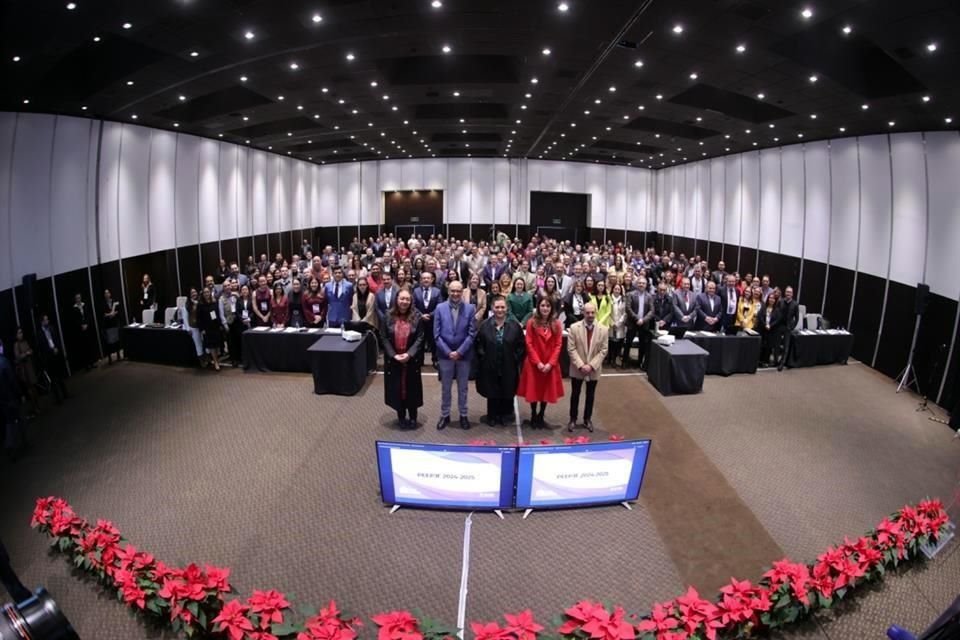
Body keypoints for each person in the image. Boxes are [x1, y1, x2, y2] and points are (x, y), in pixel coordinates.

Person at [475, 295, 525, 426]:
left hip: (509, 365)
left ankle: (505, 415)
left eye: (502, 307)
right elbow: (479, 344)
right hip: (490, 365)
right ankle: (492, 415)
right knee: (492, 391)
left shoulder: (515, 326)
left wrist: (514, 358)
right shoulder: (485, 325)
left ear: (507, 308)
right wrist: (484, 358)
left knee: (507, 390)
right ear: (492, 308)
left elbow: (521, 346)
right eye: (497, 307)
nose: (500, 310)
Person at [434, 280, 477, 430]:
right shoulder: (439, 308)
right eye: (453, 291)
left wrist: (459, 352)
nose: (455, 294)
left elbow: (472, 334)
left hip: (463, 356)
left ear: (462, 292)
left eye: (458, 291)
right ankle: (445, 415)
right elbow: (436, 335)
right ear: (448, 291)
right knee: (446, 388)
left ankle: (463, 415)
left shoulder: (471, 309)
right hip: (445, 356)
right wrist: (448, 352)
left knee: (463, 388)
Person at [516, 297, 564, 428]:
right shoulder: (531, 322)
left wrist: (550, 363)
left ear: (551, 308)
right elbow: (529, 343)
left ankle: (541, 415)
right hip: (534, 363)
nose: (545, 308)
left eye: (548, 306)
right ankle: (533, 414)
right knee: (534, 390)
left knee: (545, 391)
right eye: (542, 305)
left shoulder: (556, 324)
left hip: (549, 364)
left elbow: (559, 345)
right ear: (538, 307)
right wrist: (538, 362)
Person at [382, 289, 424, 429]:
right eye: (402, 299)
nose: (404, 302)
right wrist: (393, 355)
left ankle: (413, 418)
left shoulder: (417, 316)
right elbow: (384, 337)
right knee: (397, 389)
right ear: (397, 299)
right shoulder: (388, 315)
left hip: (411, 361)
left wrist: (409, 354)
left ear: (411, 301)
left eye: (407, 299)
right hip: (394, 361)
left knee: (412, 390)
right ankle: (401, 417)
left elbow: (420, 338)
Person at [567, 302, 608, 432]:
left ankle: (587, 419)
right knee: (575, 394)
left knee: (590, 395)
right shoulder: (574, 328)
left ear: (595, 312)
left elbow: (604, 350)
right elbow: (571, 349)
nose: (590, 315)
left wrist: (591, 366)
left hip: (593, 369)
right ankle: (573, 419)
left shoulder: (604, 329)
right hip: (577, 368)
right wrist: (581, 365)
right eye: (587, 312)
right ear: (583, 313)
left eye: (592, 312)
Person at [36, 314, 68, 404]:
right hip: (48, 357)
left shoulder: (52, 328)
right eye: (46, 320)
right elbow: (41, 347)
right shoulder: (39, 334)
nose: (48, 321)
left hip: (56, 354)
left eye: (47, 319)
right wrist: (50, 351)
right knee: (53, 379)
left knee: (60, 375)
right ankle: (58, 398)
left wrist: (57, 347)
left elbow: (56, 339)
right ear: (42, 322)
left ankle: (65, 394)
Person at [624, 277, 654, 368]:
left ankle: (640, 362)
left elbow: (652, 311)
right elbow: (628, 308)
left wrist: (643, 320)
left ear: (646, 285)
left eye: (643, 283)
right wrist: (637, 319)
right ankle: (625, 362)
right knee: (628, 343)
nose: (641, 285)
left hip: (644, 324)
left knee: (642, 344)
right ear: (637, 284)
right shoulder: (630, 294)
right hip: (632, 323)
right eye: (640, 283)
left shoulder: (649, 296)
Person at [413, 272, 442, 367]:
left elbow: (439, 305)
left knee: (433, 341)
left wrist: (430, 315)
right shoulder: (415, 291)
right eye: (424, 278)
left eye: (428, 278)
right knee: (419, 341)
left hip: (432, 321)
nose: (426, 280)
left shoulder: (437, 291)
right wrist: (421, 315)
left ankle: (435, 360)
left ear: (432, 279)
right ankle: (419, 360)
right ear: (421, 280)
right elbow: (413, 306)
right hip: (419, 321)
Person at [13, 328, 40, 418]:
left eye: (21, 332)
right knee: (30, 390)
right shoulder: (16, 345)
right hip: (25, 371)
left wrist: (30, 352)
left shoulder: (25, 342)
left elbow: (30, 350)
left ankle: (37, 407)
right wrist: (26, 354)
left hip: (30, 367)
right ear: (16, 335)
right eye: (19, 333)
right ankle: (34, 408)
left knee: (34, 388)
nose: (21, 334)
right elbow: (17, 357)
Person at [197, 287, 223, 371]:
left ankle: (217, 359)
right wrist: (202, 329)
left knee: (217, 344)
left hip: (215, 326)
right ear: (203, 294)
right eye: (205, 292)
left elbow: (217, 314)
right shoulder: (200, 305)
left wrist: (220, 324)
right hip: (207, 328)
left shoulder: (214, 302)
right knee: (211, 345)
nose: (206, 294)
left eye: (208, 292)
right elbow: (199, 318)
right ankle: (216, 362)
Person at [70, 293, 98, 370]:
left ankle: (92, 363)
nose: (78, 299)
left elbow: (88, 315)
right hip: (80, 331)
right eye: (77, 298)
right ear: (75, 299)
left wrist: (87, 324)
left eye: (79, 297)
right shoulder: (74, 308)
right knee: (84, 348)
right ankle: (87, 365)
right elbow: (75, 320)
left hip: (88, 328)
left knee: (90, 346)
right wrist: (81, 325)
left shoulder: (84, 305)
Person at [776, 286, 799, 370]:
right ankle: (776, 361)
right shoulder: (780, 301)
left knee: (786, 346)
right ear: (785, 293)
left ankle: (782, 363)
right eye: (787, 292)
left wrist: (792, 327)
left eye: (790, 292)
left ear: (792, 294)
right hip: (779, 326)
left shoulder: (795, 304)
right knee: (777, 344)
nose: (788, 293)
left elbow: (797, 318)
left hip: (788, 327)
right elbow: (776, 313)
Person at [758, 290, 783, 367]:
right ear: (768, 299)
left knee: (769, 347)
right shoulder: (763, 308)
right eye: (770, 298)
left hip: (771, 331)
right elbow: (760, 316)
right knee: (762, 346)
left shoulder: (777, 310)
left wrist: (770, 326)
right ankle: (760, 361)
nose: (771, 299)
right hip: (763, 330)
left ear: (775, 300)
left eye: (773, 298)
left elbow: (778, 320)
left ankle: (766, 361)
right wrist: (765, 324)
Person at [607, 283, 627, 368]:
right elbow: (607, 312)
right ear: (613, 289)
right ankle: (609, 359)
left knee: (618, 343)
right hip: (610, 324)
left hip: (620, 325)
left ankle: (615, 359)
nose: (617, 290)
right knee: (610, 343)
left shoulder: (623, 300)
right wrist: (611, 323)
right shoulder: (608, 298)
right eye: (615, 289)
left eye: (618, 289)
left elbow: (625, 313)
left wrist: (619, 323)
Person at [102, 289, 122, 363]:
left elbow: (118, 310)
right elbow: (104, 314)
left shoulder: (114, 301)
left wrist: (114, 313)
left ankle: (118, 356)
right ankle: (110, 358)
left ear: (110, 294)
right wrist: (110, 314)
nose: (107, 294)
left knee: (116, 340)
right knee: (109, 342)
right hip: (108, 325)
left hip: (114, 323)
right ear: (104, 295)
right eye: (105, 293)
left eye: (108, 293)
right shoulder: (103, 303)